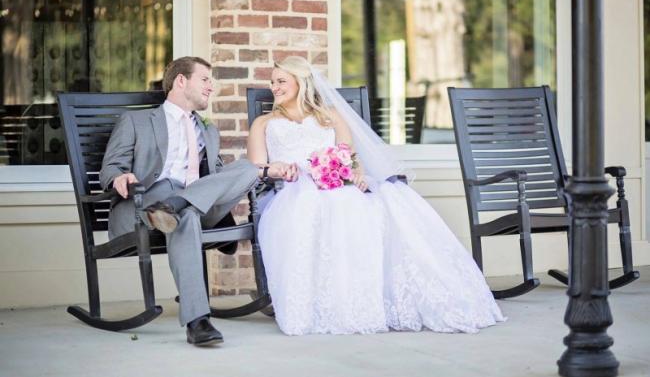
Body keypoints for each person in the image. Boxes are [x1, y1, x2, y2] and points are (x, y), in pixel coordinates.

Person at [247, 56, 506, 336]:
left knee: (391, 201)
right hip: (295, 188)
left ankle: (395, 296)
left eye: (281, 81)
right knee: (319, 206)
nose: (274, 87)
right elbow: (256, 169)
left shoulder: (330, 116)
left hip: (337, 182)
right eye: (272, 82)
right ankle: (331, 302)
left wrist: (355, 173)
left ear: (301, 82)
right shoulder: (264, 123)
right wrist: (276, 168)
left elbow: (350, 157)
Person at [99, 56, 294, 346]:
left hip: (185, 210)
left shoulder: (208, 130)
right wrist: (119, 178)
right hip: (142, 208)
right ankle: (198, 319)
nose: (211, 88)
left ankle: (176, 208)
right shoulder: (137, 121)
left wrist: (266, 170)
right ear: (181, 81)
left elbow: (217, 179)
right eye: (205, 80)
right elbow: (110, 168)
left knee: (245, 167)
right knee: (177, 199)